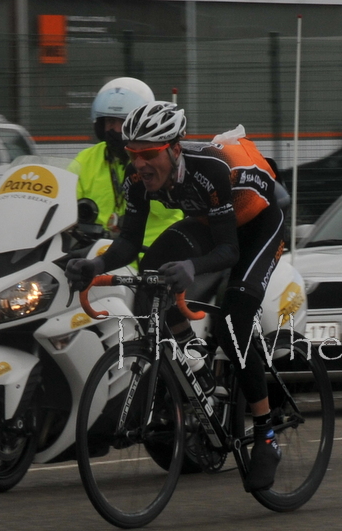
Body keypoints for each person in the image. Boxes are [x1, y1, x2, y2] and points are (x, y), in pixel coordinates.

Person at [65, 101, 285, 490]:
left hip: (259, 224)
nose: (141, 164)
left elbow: (229, 252)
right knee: (153, 273)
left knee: (235, 323)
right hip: (212, 221)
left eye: (150, 154)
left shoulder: (209, 170)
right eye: (134, 155)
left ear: (174, 149)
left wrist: (193, 268)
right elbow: (130, 241)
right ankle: (196, 367)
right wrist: (96, 266)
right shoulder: (137, 179)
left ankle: (267, 433)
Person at [75, 77, 183, 247]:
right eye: (110, 121)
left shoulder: (159, 158)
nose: (116, 130)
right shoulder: (85, 160)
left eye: (124, 122)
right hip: (97, 254)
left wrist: (140, 161)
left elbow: (168, 210)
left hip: (151, 256)